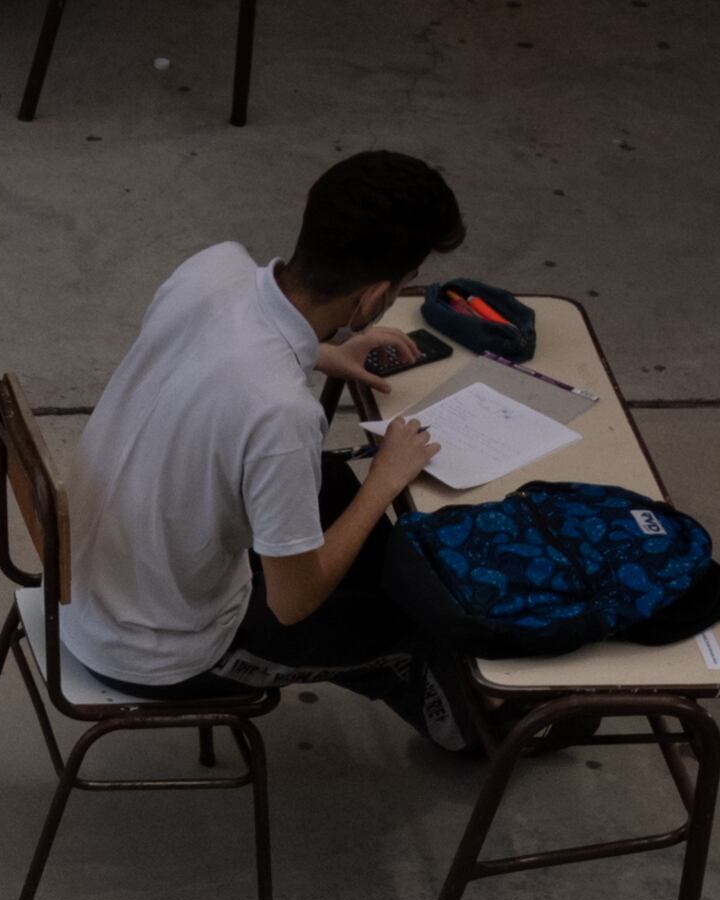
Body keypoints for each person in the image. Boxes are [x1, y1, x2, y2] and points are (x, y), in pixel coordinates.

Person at [59, 151, 480, 751]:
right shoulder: (281, 413)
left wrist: (322, 352)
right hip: (159, 650)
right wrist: (386, 479)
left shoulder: (214, 267)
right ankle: (465, 730)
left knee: (334, 491)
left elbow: (219, 350)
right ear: (375, 296)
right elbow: (293, 603)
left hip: (99, 581)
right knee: (408, 628)